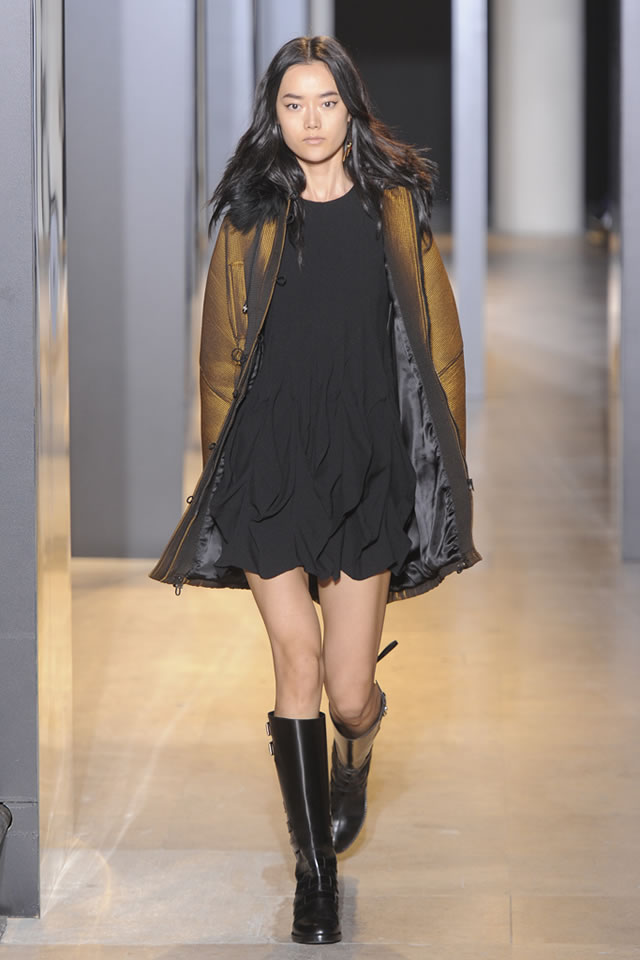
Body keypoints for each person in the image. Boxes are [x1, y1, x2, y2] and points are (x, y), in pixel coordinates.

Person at [149, 34, 481, 945]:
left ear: (350, 108)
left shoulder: (393, 207)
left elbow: (439, 344)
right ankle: (315, 877)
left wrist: (445, 468)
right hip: (270, 463)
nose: (310, 120)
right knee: (295, 663)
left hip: (365, 462)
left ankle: (356, 750)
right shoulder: (249, 216)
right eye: (293, 104)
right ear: (274, 113)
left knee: (346, 690)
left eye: (325, 102)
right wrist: (220, 472)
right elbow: (220, 359)